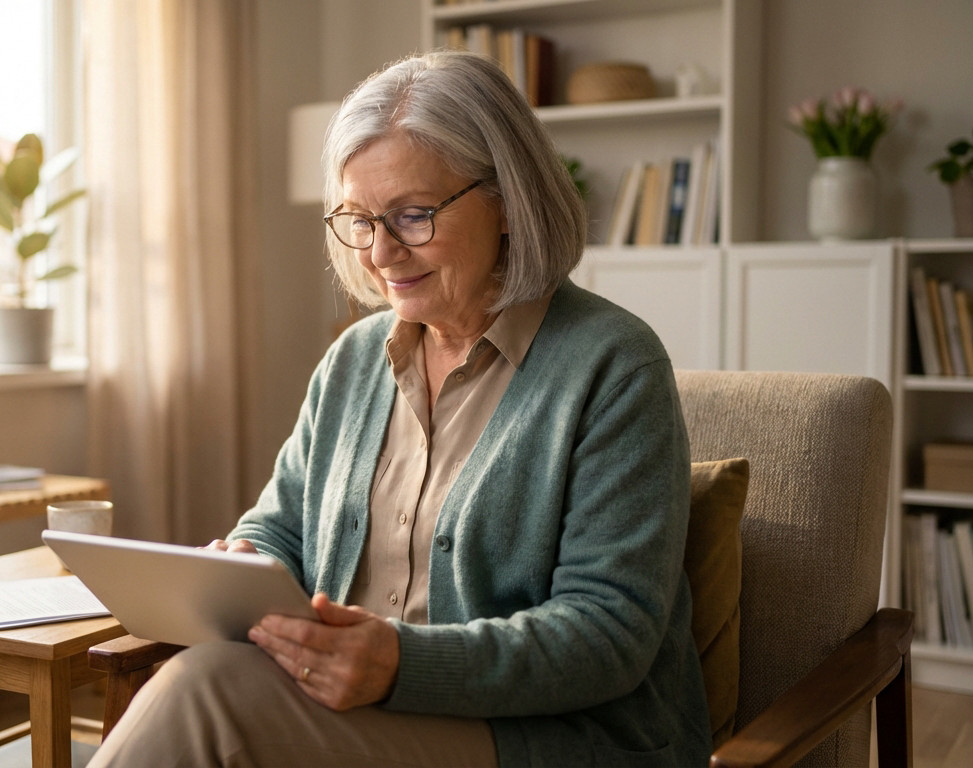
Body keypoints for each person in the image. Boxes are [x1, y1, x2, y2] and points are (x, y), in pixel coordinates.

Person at [89, 49, 710, 767]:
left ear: (507, 201)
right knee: (205, 684)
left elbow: (608, 634)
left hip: (548, 739)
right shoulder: (354, 361)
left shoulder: (612, 364)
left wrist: (402, 664)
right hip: (351, 709)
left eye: (413, 215)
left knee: (205, 691)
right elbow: (282, 523)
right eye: (359, 218)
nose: (381, 252)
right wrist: (248, 557)